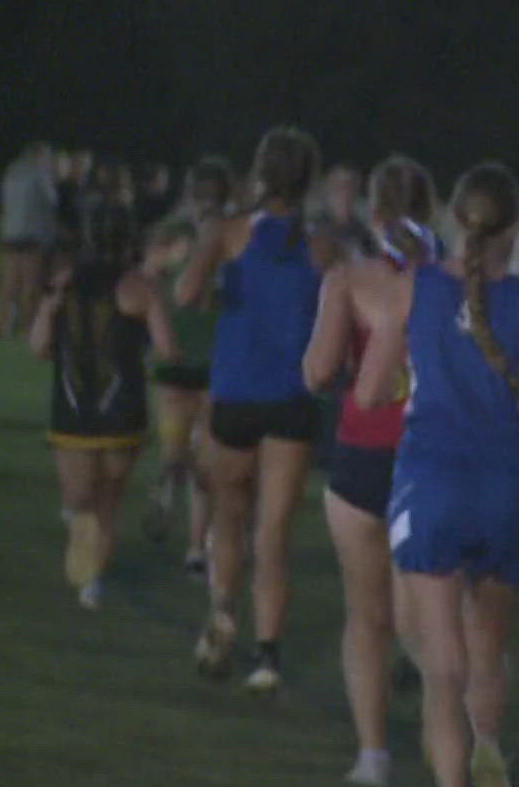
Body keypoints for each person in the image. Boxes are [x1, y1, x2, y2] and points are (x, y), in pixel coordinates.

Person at [354, 161, 519, 787]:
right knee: (489, 651)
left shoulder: (412, 288)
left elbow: (367, 393)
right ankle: (488, 749)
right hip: (508, 484)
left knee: (441, 662)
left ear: (453, 219)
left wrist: (405, 377)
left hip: (434, 479)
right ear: (515, 230)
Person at [178, 126, 335, 688]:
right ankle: (268, 656)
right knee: (274, 532)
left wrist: (222, 279)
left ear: (259, 173)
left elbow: (186, 294)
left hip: (235, 391)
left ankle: (223, 609)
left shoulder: (229, 231)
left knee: (229, 516)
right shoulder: (322, 243)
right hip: (292, 397)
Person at [303, 155, 441, 787]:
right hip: (436, 457)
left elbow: (317, 371)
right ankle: (461, 747)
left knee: (367, 615)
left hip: (362, 455)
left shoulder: (347, 279)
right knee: (434, 616)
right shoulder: (454, 281)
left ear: (375, 213)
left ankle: (373, 756)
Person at [30, 197, 174, 609]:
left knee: (79, 501)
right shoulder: (139, 287)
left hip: (72, 410)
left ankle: (86, 565)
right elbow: (165, 348)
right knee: (109, 500)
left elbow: (39, 346)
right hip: (123, 410)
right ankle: (92, 580)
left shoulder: (63, 282)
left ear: (86, 236)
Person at [143, 157, 234, 579]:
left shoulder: (204, 237)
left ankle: (195, 541)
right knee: (194, 459)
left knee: (197, 458)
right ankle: (189, 530)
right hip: (197, 359)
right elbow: (147, 271)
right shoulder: (194, 236)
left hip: (196, 361)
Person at [0, 143, 58, 338]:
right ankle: (29, 328)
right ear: (40, 156)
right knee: (31, 287)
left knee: (9, 286)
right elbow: (52, 201)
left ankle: (4, 328)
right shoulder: (40, 175)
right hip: (32, 236)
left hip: (11, 234)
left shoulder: (11, 173)